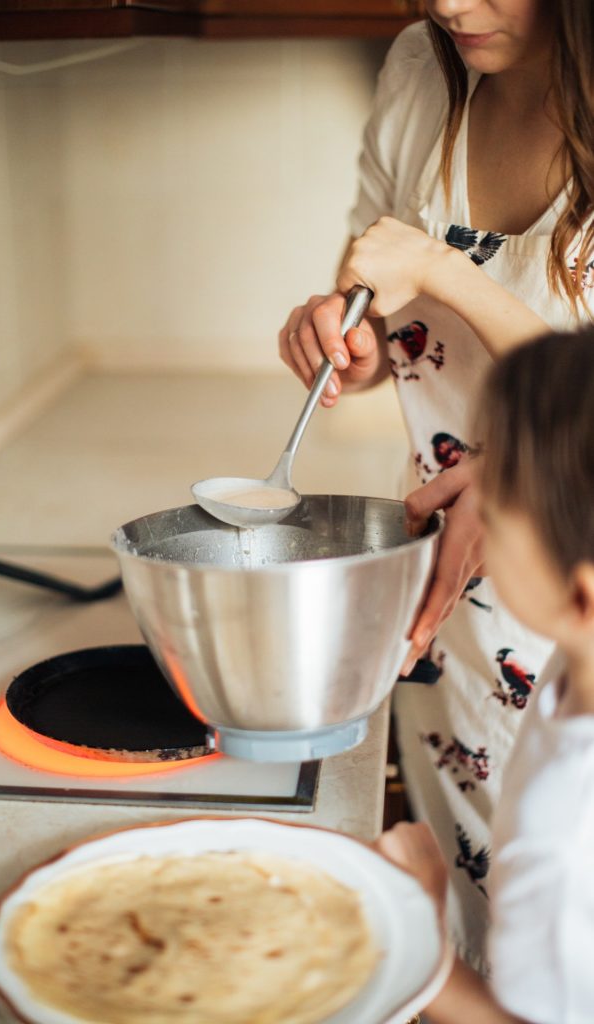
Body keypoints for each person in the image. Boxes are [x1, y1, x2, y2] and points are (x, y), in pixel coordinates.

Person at [278, 1, 594, 967]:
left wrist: (444, 271)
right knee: (463, 920)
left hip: (570, 597)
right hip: (442, 595)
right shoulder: (424, 66)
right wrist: (352, 334)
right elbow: (379, 264)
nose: (451, 4)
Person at [374, 328, 594, 1023]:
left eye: (492, 512)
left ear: (580, 596)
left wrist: (417, 935)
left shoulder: (563, 834)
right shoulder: (579, 659)